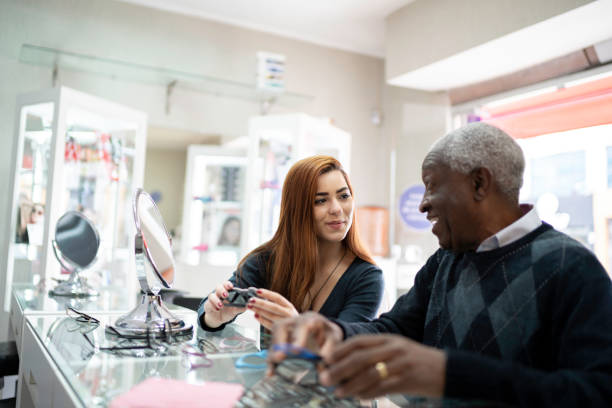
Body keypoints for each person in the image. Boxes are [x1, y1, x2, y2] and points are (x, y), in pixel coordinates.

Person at [270, 123, 612, 407]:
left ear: (479, 183)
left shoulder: (572, 269)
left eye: (431, 185)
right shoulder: (446, 260)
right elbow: (396, 327)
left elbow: (597, 393)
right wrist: (336, 332)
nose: (422, 205)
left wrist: (450, 375)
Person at [198, 155, 384, 336]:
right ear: (297, 209)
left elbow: (346, 348)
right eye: (320, 200)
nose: (336, 209)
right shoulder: (266, 261)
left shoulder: (366, 277)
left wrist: (300, 329)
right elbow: (207, 311)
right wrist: (214, 318)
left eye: (344, 196)